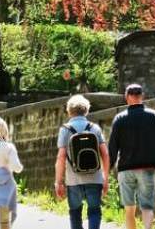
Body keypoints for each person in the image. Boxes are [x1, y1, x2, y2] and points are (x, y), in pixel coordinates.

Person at [108, 84, 155, 229]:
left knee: (129, 208)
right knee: (147, 206)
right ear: (142, 96)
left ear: (126, 97)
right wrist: (154, 160)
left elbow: (112, 148)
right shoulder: (154, 116)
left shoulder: (119, 119)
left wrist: (109, 168)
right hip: (147, 168)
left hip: (125, 168)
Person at [54, 95, 111, 229]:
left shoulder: (65, 130)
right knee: (94, 211)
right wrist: (105, 177)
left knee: (75, 212)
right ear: (86, 110)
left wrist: (59, 182)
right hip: (94, 177)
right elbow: (106, 154)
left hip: (73, 180)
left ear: (69, 111)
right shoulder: (94, 128)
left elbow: (61, 157)